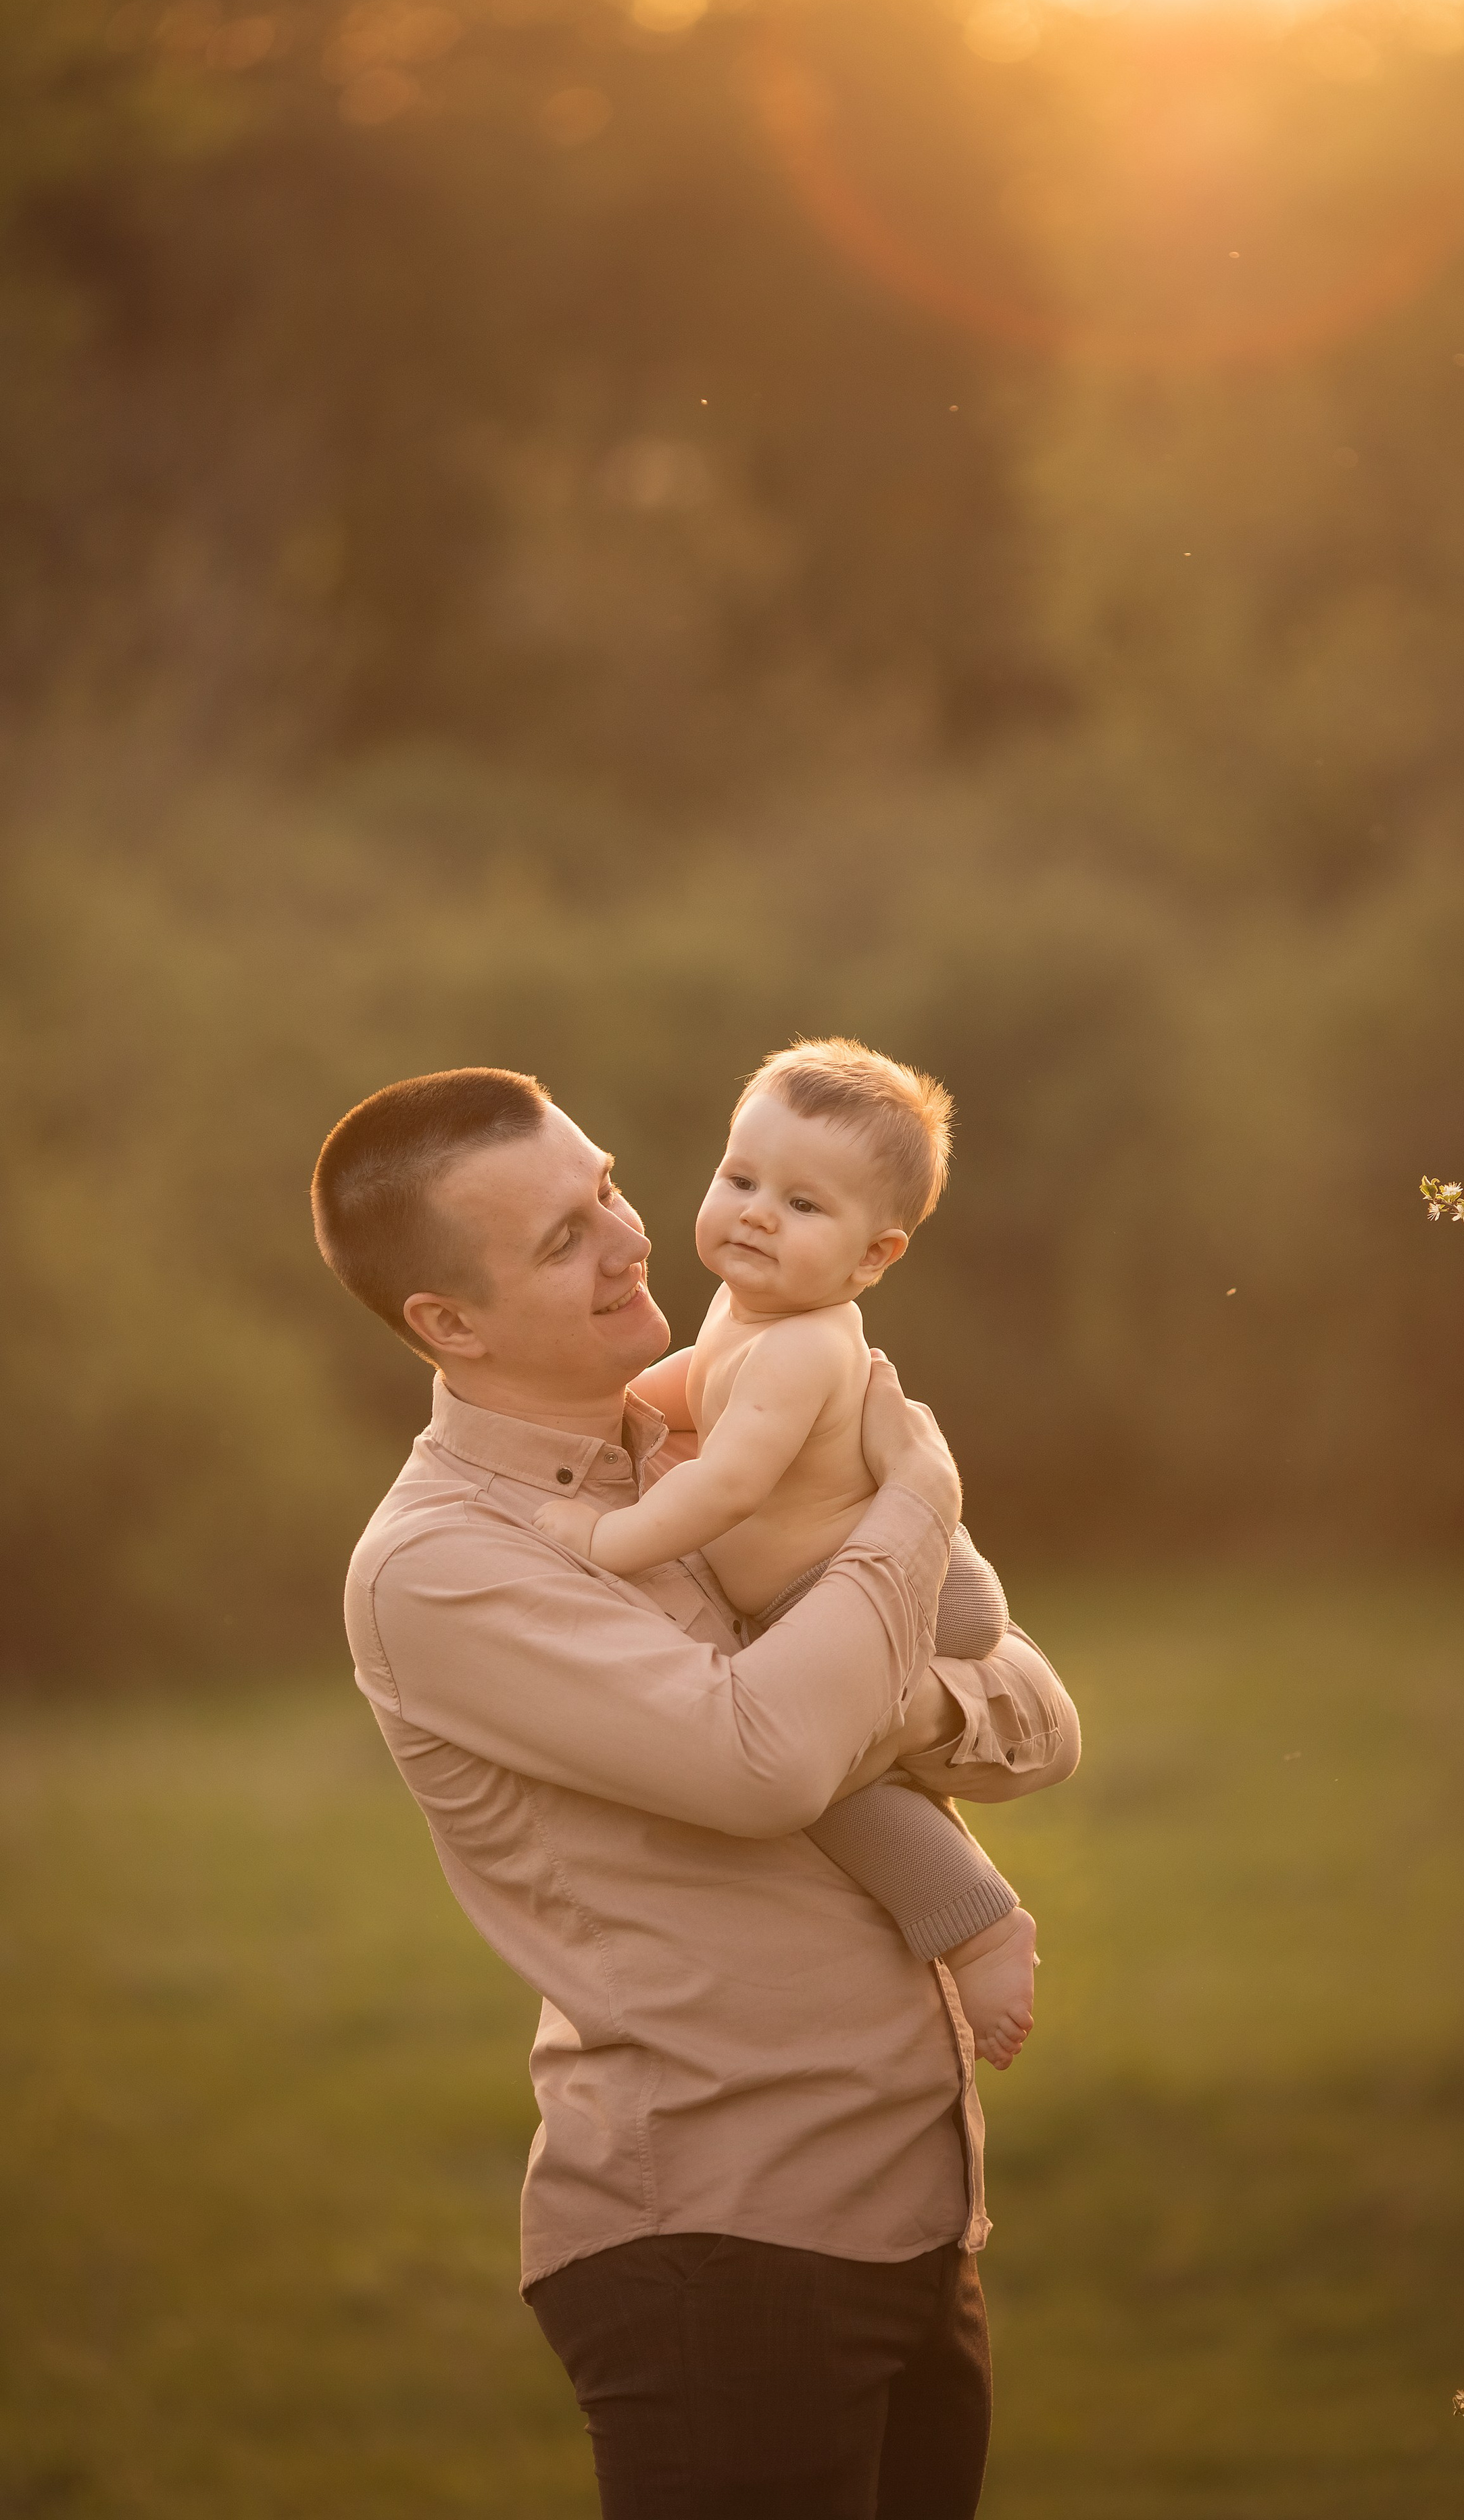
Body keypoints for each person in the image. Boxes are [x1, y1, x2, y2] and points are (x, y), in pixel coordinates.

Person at [311, 1065, 1081, 2520]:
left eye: (603, 1186)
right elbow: (767, 1762)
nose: (628, 1235)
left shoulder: (728, 1421)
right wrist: (915, 1507)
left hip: (911, 2219)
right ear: (445, 1322)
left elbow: (1038, 1725)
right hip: (719, 2251)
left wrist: (891, 1696)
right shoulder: (444, 1564)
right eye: (560, 1238)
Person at [533, 1037, 1040, 2069]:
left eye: (804, 1206)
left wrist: (608, 1538)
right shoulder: (746, 1309)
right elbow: (693, 1389)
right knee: (860, 1741)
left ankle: (983, 1925)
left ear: (872, 1257)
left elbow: (727, 1483)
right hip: (835, 1563)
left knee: (844, 1791)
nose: (758, 1211)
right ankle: (962, 1597)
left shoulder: (805, 1345)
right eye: (741, 1179)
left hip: (835, 1581)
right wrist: (620, 1407)